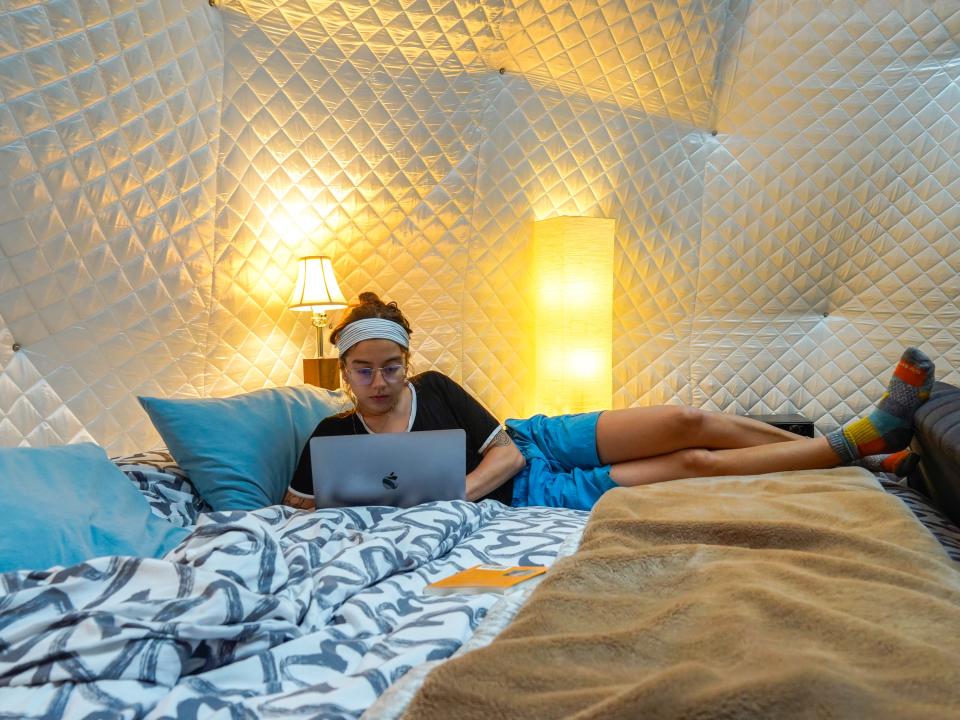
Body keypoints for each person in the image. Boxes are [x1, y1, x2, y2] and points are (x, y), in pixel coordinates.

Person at [288, 292, 935, 511]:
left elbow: (508, 451)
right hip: (531, 501)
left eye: (391, 367)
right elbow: (297, 509)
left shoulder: (436, 390)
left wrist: (459, 492)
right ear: (344, 371)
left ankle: (862, 454)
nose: (379, 382)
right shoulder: (332, 435)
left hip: (537, 444)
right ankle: (860, 450)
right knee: (693, 462)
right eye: (364, 371)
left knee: (689, 419)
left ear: (407, 362)